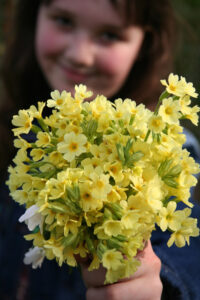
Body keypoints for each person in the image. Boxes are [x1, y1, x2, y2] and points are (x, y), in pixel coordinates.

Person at [0, 0, 200, 299]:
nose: (80, 55)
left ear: (145, 43)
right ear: (35, 15)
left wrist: (154, 282)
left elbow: (187, 263)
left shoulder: (166, 148)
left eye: (109, 35)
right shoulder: (14, 125)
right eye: (64, 20)